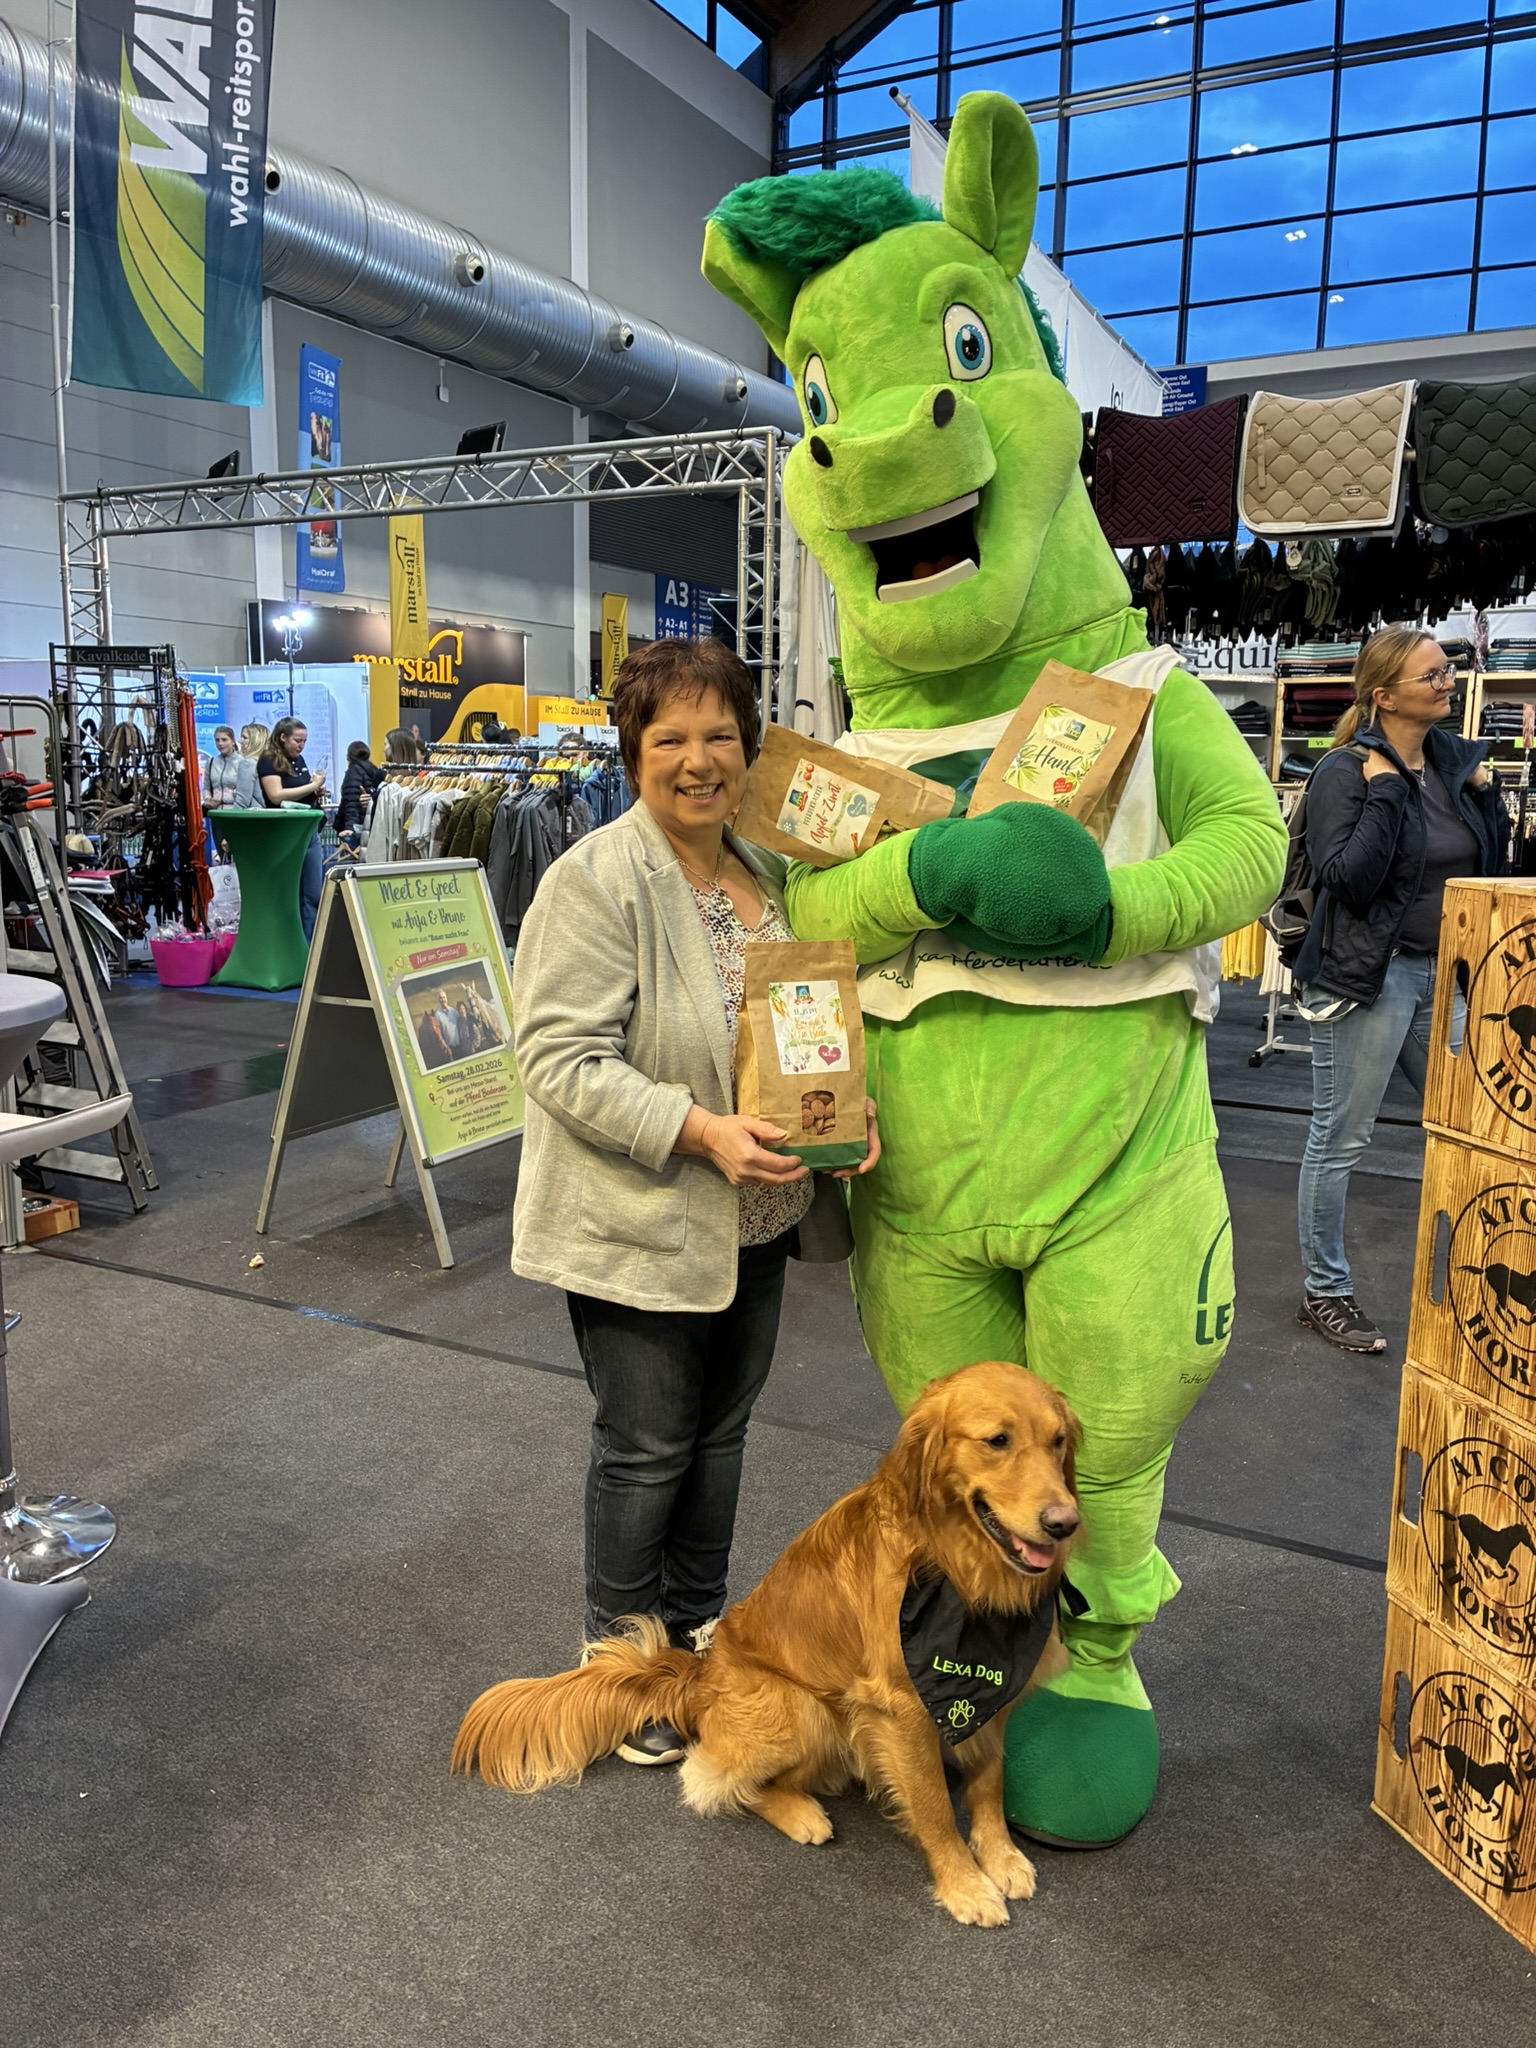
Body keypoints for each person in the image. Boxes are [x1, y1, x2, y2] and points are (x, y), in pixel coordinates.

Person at [511, 635, 880, 1766]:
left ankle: (698, 1631)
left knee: (720, 1436)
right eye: (670, 737)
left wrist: (841, 1116)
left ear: (748, 747)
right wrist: (699, 1127)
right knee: (646, 1444)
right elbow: (558, 1057)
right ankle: (621, 1665)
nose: (698, 758)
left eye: (719, 734)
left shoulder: (765, 878)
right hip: (644, 1215)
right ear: (632, 753)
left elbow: (804, 1027)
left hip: (755, 1219)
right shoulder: (596, 878)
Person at [1292, 626, 1507, 1353]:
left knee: (1473, 1127)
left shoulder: (1455, 768)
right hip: (1371, 980)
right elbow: (1346, 878)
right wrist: (1385, 790)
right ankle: (1325, 1292)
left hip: (1447, 977)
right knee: (1341, 1138)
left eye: (1448, 671)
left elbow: (1491, 867)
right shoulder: (1345, 773)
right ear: (1383, 696)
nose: (1446, 683)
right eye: (1430, 677)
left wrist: (1489, 795)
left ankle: (1485, 1276)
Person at [257, 716, 328, 941]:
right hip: (285, 833)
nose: (301, 745)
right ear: (282, 738)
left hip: (309, 830)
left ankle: (310, 951)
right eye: (297, 740)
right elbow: (276, 796)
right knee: (290, 895)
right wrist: (312, 785)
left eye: (304, 741)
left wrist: (314, 792)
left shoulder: (299, 760)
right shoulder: (269, 760)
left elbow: (299, 790)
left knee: (313, 894)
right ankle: (292, 946)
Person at [334, 739, 384, 851]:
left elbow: (351, 802)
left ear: (348, 757)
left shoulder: (353, 772)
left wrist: (349, 828)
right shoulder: (374, 770)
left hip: (357, 828)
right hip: (370, 825)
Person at [204, 726, 260, 811]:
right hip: (215, 812)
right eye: (217, 740)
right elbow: (206, 787)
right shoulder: (210, 762)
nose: (220, 743)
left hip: (237, 811)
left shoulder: (243, 762)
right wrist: (208, 799)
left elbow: (247, 792)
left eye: (224, 739)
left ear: (233, 741)